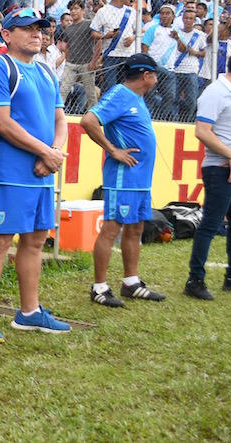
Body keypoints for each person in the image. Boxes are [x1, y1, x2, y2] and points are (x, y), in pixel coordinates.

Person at [0, 8, 71, 343]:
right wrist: (45, 153)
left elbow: (60, 121)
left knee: (36, 239)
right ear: (7, 34)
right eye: (26, 28)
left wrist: (54, 153)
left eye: (40, 29)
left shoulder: (45, 70)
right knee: (1, 239)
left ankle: (29, 311)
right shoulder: (1, 66)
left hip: (43, 169)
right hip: (11, 171)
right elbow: (1, 122)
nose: (36, 34)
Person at [80, 54, 165, 307]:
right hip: (122, 178)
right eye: (155, 75)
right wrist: (113, 150)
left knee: (136, 228)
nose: (157, 80)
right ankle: (99, 288)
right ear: (146, 75)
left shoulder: (136, 98)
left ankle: (131, 283)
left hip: (139, 180)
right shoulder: (119, 94)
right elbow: (88, 120)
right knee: (111, 229)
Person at [185, 46, 231, 300]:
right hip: (220, 169)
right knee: (211, 223)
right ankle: (195, 279)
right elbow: (202, 131)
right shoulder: (216, 92)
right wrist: (230, 155)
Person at [90, 0, 137, 95]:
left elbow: (139, 31)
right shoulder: (103, 11)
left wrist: (133, 38)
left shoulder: (132, 11)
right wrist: (106, 36)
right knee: (110, 88)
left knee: (125, 89)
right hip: (111, 55)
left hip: (128, 55)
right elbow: (93, 33)